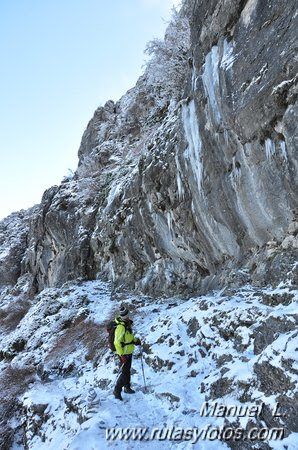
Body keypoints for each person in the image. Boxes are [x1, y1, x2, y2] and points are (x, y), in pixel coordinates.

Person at [113, 305, 141, 401]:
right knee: (124, 373)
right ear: (124, 316)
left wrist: (136, 340)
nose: (128, 316)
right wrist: (121, 355)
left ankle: (127, 387)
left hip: (129, 352)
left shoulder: (127, 324)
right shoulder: (121, 327)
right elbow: (116, 342)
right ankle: (117, 391)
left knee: (127, 371)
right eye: (127, 315)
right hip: (124, 354)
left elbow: (129, 337)